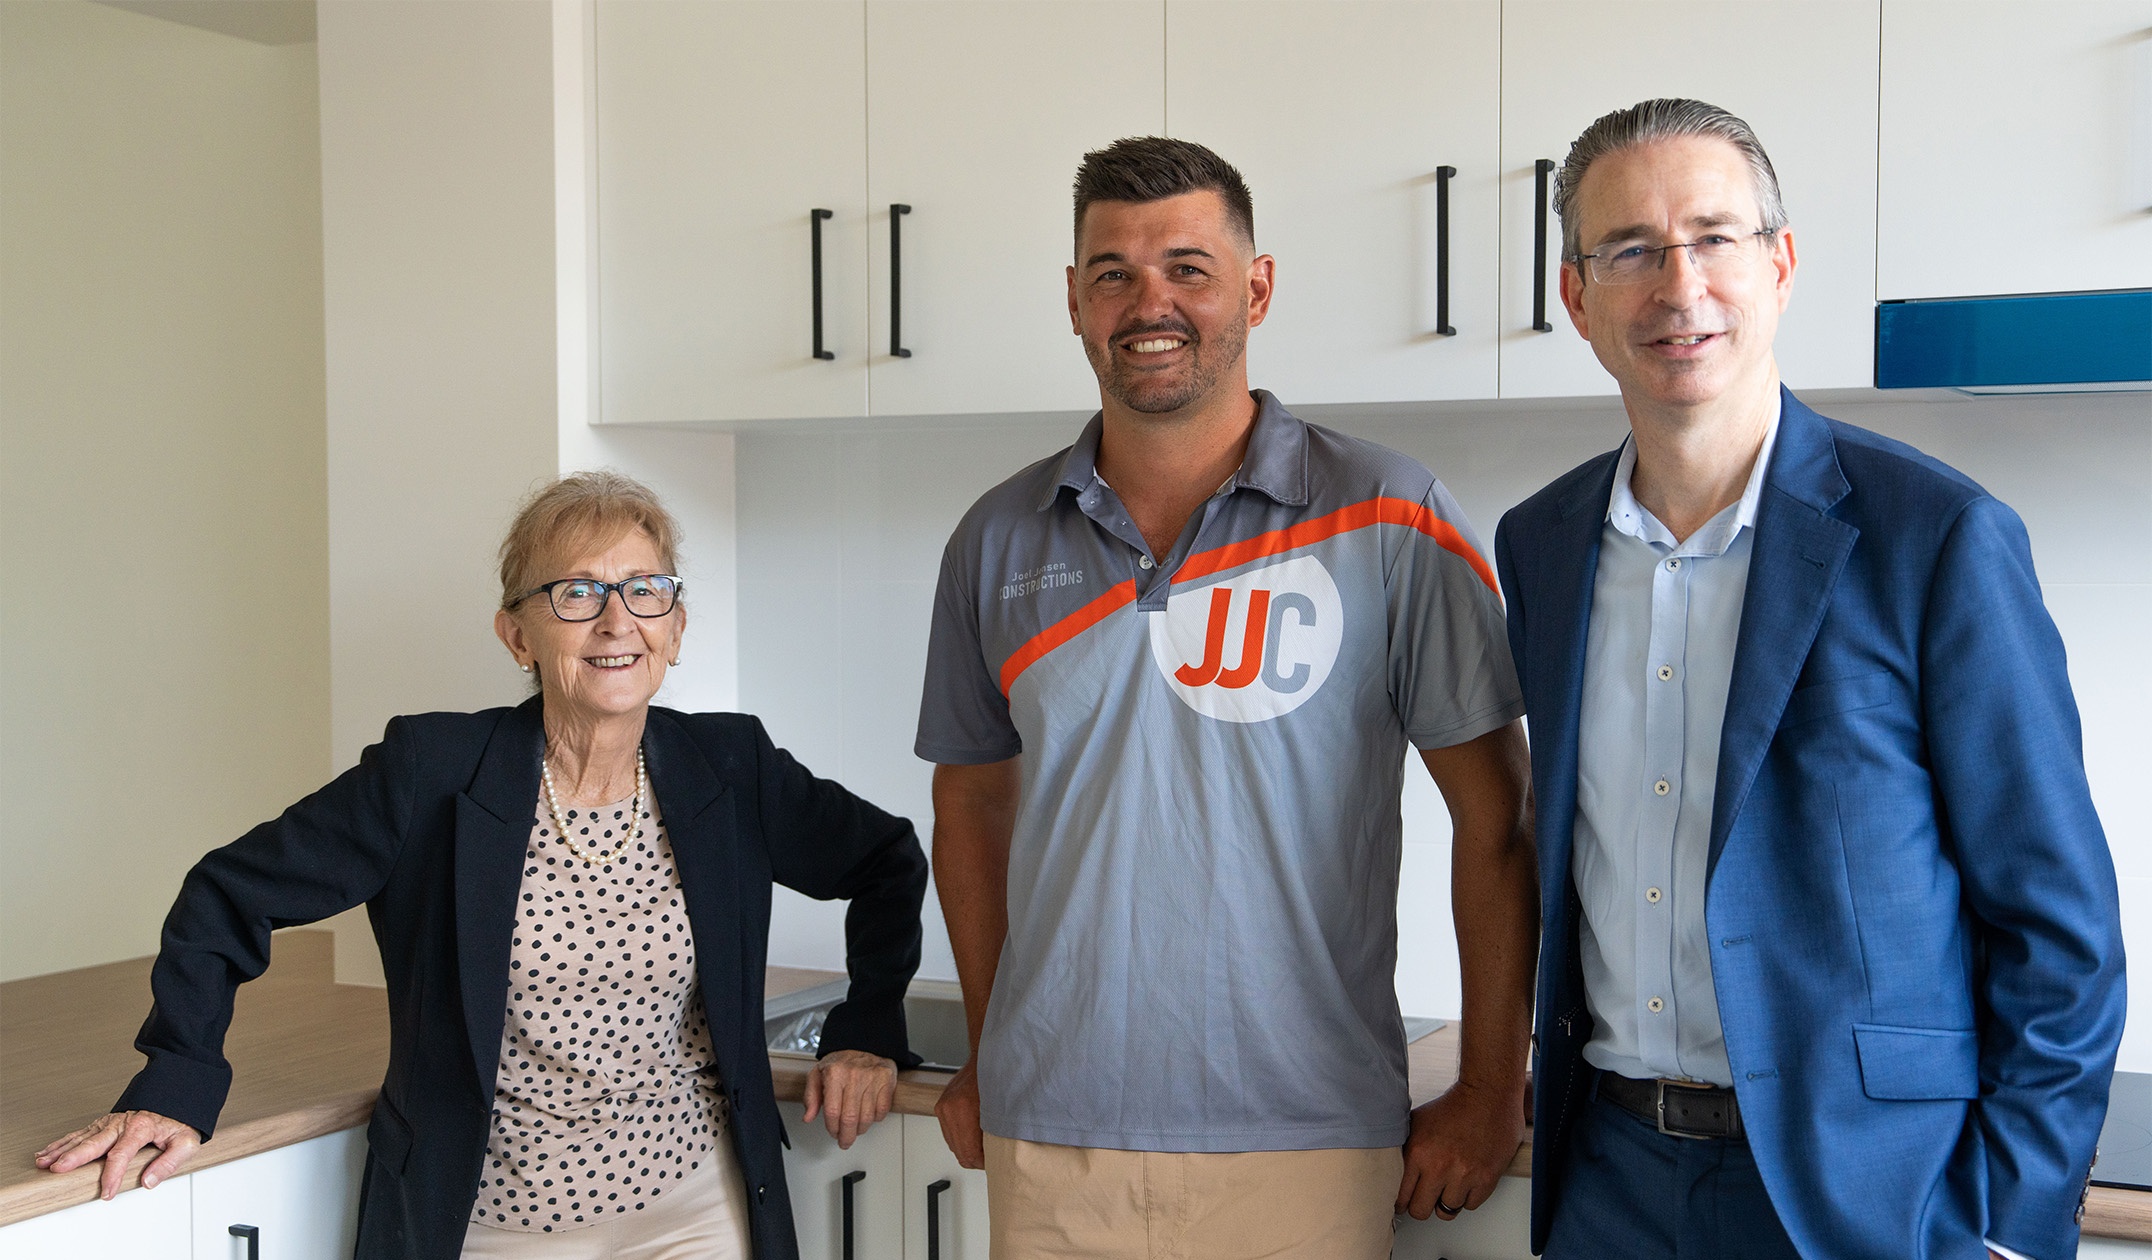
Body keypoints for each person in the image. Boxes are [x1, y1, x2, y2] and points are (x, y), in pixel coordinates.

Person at [1496, 98, 2126, 1260]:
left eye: (1714, 237)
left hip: (1865, 1196)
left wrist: (2010, 1229)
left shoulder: (1934, 537)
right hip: (1609, 1182)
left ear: (1779, 266)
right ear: (1576, 299)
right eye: (1628, 250)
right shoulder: (1538, 544)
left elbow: (2058, 927)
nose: (1678, 285)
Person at [36, 472, 929, 1260]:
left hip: (697, 1211)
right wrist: (176, 1085)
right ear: (517, 637)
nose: (618, 620)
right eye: (577, 593)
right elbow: (229, 893)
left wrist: (867, 1026)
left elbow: (886, 859)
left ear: (677, 627)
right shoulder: (430, 773)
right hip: (496, 1223)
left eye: (645, 590)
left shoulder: (730, 766)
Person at [916, 136, 1536, 1258]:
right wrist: (988, 1047)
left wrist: (1494, 1084)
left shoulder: (1391, 514)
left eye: (1188, 268)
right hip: (1053, 1142)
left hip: (1303, 1142)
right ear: (1072, 301)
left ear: (1255, 287)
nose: (1149, 301)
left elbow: (1498, 820)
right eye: (1112, 273)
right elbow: (968, 811)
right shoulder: (996, 537)